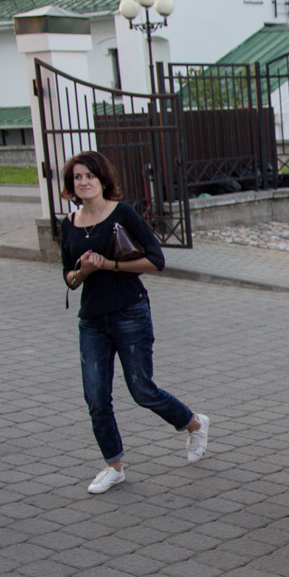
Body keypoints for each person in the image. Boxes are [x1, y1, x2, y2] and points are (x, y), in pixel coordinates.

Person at [61, 151, 209, 495]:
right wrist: (84, 269)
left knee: (142, 389)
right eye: (77, 178)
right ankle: (114, 467)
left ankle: (195, 422)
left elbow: (156, 260)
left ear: (102, 180)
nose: (83, 182)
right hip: (92, 320)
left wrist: (107, 265)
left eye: (89, 176)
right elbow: (69, 279)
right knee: (96, 398)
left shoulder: (122, 213)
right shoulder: (69, 223)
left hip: (130, 312)